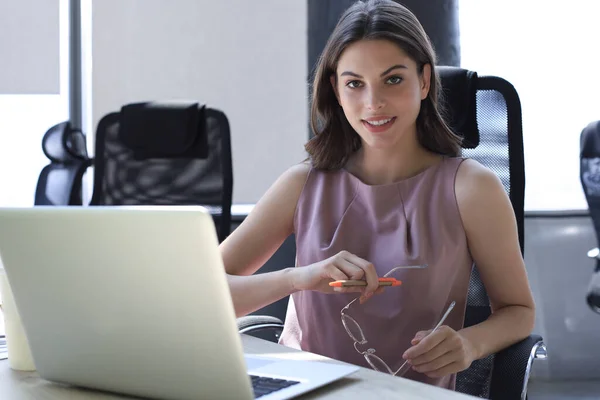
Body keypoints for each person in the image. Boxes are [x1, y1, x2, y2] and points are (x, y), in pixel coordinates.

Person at [220, 0, 535, 391]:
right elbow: (205, 290)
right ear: (336, 89)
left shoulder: (472, 188)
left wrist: (471, 344)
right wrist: (297, 279)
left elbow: (519, 311)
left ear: (423, 81)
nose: (373, 103)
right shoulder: (302, 184)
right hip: (304, 391)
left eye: (393, 79)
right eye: (355, 83)